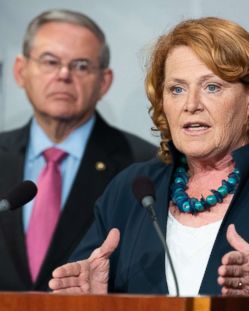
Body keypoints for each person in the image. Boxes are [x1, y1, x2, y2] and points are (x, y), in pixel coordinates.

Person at [49, 17, 249, 310]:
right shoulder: (130, 190)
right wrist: (89, 300)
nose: (191, 104)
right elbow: (81, 284)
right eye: (176, 89)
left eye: (212, 87)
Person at [0, 9, 157, 291]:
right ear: (20, 71)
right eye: (50, 61)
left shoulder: (143, 167)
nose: (63, 75)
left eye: (81, 65)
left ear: (104, 82)